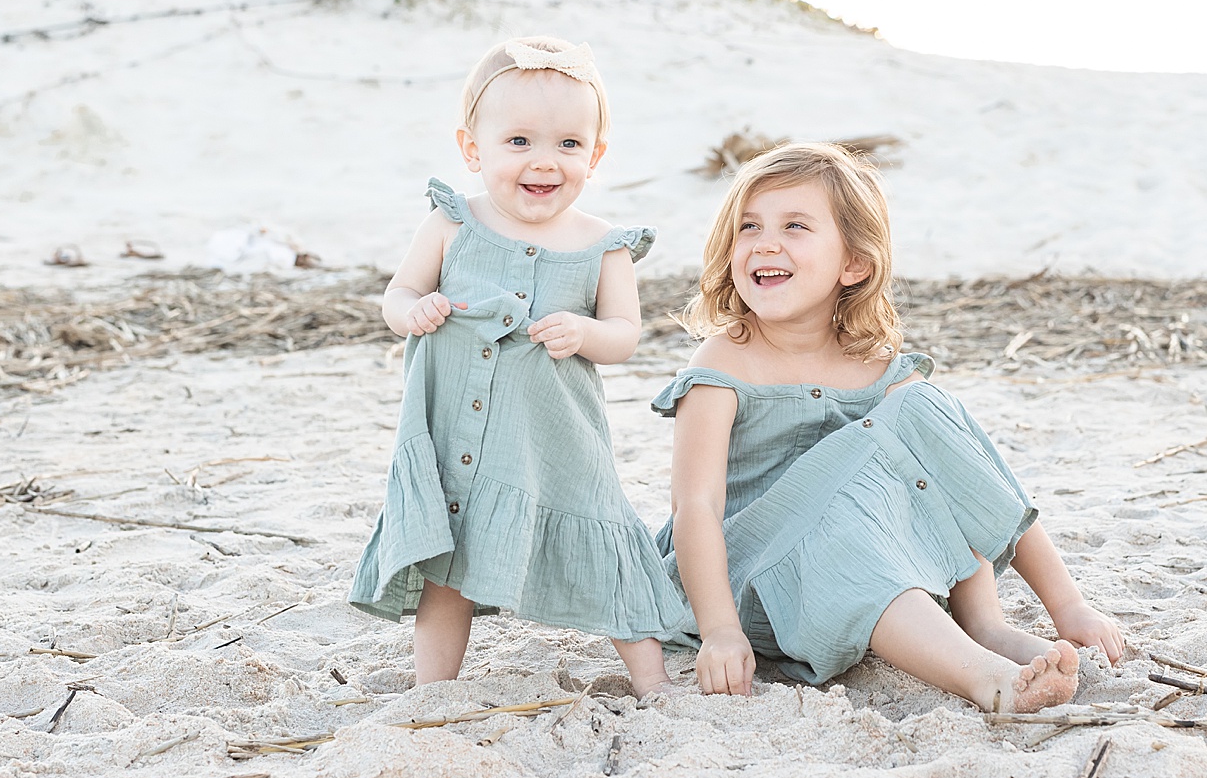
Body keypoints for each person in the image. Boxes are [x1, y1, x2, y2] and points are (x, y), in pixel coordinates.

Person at [655, 143, 1124, 712]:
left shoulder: (879, 366)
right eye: (748, 226)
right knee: (861, 496)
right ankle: (982, 677)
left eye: (795, 226)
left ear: (854, 263)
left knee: (924, 414)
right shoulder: (725, 362)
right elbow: (695, 507)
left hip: (863, 565)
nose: (765, 242)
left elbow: (967, 479)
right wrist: (721, 631)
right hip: (752, 585)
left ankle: (987, 626)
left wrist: (1071, 609)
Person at [347, 36, 684, 697]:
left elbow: (625, 334)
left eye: (568, 145)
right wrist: (413, 312)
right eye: (520, 142)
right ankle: (432, 689)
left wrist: (586, 331)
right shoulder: (452, 224)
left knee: (606, 547)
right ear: (474, 149)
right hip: (457, 445)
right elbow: (398, 293)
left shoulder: (601, 245)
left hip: (553, 443)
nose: (544, 162)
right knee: (446, 570)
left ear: (596, 154)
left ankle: (653, 683)